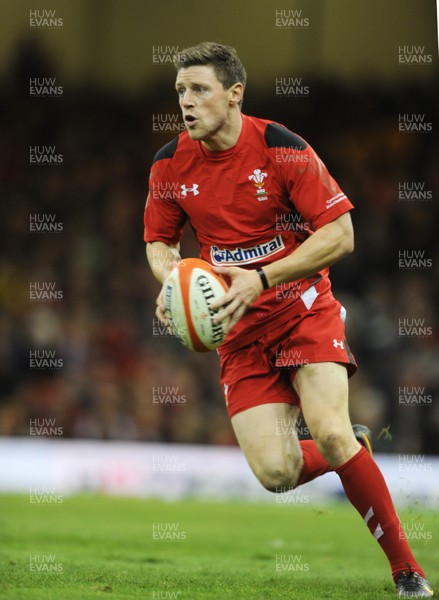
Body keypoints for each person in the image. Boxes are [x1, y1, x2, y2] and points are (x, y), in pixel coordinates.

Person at [144, 42, 433, 598]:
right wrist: (171, 280)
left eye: (199, 89)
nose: (186, 101)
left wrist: (265, 276)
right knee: (275, 475)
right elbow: (158, 241)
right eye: (180, 90)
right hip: (237, 328)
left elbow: (341, 236)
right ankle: (353, 449)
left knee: (327, 427)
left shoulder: (282, 148)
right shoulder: (168, 164)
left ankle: (407, 571)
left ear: (234, 94)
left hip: (301, 307)